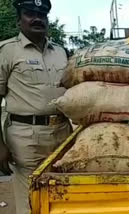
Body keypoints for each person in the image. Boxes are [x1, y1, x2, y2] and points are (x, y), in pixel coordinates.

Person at [0, 0, 71, 213]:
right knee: (31, 198)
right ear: (19, 19)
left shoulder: (60, 52)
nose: (37, 18)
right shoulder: (7, 51)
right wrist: (0, 145)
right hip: (25, 136)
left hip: (61, 132)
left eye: (42, 14)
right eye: (30, 13)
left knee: (59, 195)